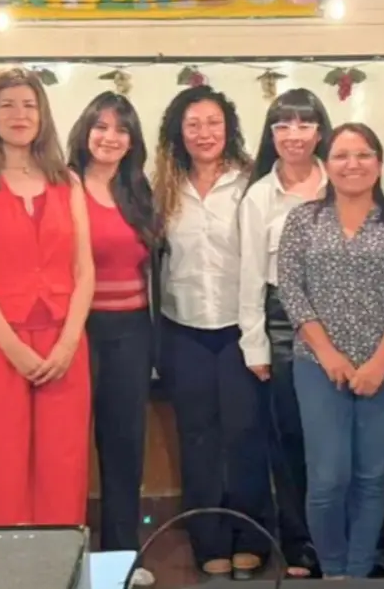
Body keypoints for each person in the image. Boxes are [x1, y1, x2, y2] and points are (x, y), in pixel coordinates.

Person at [237, 88, 384, 579]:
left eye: (305, 124)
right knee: (299, 445)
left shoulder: (350, 181)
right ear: (271, 134)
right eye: (282, 125)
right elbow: (252, 273)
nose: (293, 135)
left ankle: (371, 549)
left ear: (321, 133)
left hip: (369, 329)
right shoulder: (260, 195)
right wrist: (255, 342)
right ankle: (305, 549)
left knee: (368, 454)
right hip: (287, 322)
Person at [276, 122, 384, 579]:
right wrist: (329, 355)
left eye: (363, 155)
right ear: (326, 163)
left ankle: (359, 574)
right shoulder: (303, 220)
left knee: (370, 476)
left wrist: (379, 363)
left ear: (379, 163)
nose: (352, 164)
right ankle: (334, 572)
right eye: (341, 155)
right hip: (318, 367)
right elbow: (291, 289)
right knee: (327, 477)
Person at [0, 65, 94, 527]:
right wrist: (14, 349)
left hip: (62, 343)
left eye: (29, 105)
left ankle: (61, 562)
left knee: (63, 469)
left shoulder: (67, 181)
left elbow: (84, 270)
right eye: (7, 105)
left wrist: (68, 342)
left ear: (42, 114)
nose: (20, 114)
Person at [152, 85, 271, 580]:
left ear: (229, 127)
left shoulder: (252, 181)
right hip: (183, 329)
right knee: (197, 438)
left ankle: (251, 535)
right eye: (193, 124)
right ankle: (208, 539)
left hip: (240, 329)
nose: (204, 133)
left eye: (213, 122)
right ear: (179, 132)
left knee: (245, 434)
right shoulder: (162, 186)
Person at [66, 92, 162, 587]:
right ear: (85, 132)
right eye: (101, 127)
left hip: (132, 331)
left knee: (124, 449)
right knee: (68, 449)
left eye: (121, 129)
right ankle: (67, 558)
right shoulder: (62, 185)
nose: (110, 137)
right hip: (76, 330)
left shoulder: (138, 189)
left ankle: (119, 560)